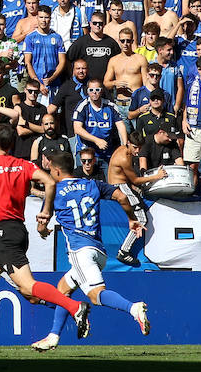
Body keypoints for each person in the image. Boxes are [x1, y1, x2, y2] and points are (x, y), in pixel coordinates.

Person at [0, 124, 89, 350]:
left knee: (28, 288)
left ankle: (74, 306)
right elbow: (49, 182)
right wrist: (46, 212)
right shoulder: (24, 165)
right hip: (14, 230)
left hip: (5, 232)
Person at [30, 150, 150, 351]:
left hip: (80, 251)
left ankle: (133, 308)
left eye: (51, 170)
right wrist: (130, 219)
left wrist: (42, 229)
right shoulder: (93, 184)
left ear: (57, 171)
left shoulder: (55, 191)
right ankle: (53, 336)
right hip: (99, 251)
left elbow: (43, 223)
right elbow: (121, 196)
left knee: (95, 295)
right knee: (62, 291)